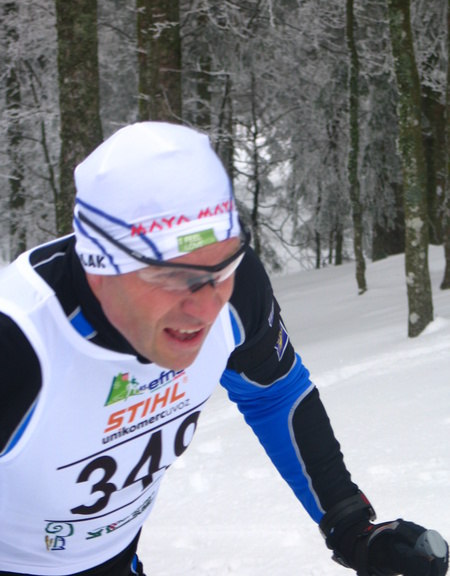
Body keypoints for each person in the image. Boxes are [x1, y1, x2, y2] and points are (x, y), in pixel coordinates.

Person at [0, 122, 447, 576]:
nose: (205, 307)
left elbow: (275, 395)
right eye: (172, 276)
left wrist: (350, 526)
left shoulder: (237, 288)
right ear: (100, 266)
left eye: (223, 267)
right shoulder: (19, 343)